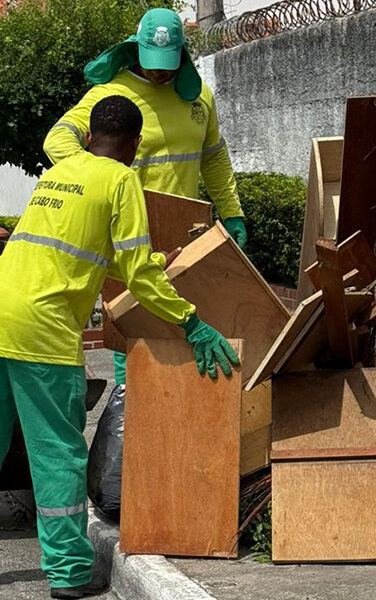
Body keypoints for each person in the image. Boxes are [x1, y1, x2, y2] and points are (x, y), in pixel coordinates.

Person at [0, 95, 239, 599]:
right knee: (57, 451)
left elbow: (89, 251)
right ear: (136, 144)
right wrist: (191, 321)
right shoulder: (122, 181)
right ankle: (68, 572)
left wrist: (144, 262)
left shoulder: (61, 169)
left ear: (89, 135)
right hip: (42, 327)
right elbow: (138, 275)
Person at [43, 7, 246, 390]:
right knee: (132, 341)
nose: (159, 72)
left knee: (182, 333)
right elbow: (58, 139)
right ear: (135, 49)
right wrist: (100, 177)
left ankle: (172, 420)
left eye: (168, 64)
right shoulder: (111, 95)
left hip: (184, 236)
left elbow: (214, 156)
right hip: (128, 235)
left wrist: (232, 212)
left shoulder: (199, 97)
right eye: (152, 62)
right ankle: (132, 418)